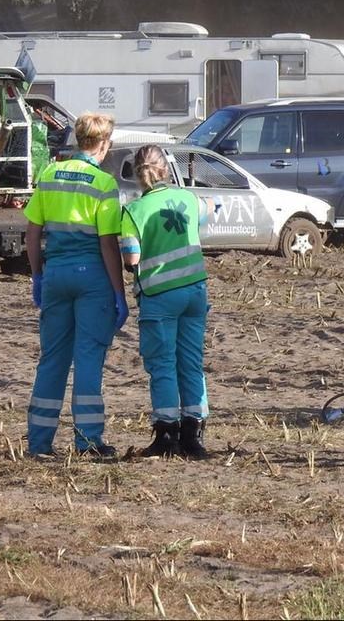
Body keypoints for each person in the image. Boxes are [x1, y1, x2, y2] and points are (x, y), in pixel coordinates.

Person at [23, 112, 128, 459]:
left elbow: (33, 232)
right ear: (103, 144)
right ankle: (87, 440)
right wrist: (119, 292)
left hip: (55, 274)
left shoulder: (49, 175)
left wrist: (37, 274)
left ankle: (39, 442)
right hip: (92, 277)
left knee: (52, 358)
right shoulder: (103, 184)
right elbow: (108, 243)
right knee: (87, 359)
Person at [118, 145, 212, 459]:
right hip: (195, 291)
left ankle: (166, 433)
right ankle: (193, 432)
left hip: (159, 296)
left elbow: (132, 257)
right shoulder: (189, 199)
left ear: (136, 174)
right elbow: (202, 223)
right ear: (165, 169)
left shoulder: (133, 211)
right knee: (191, 362)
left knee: (162, 365)